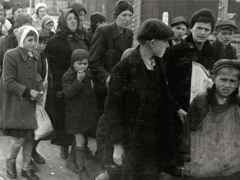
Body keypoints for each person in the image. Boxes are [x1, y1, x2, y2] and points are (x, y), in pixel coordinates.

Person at [102, 18, 186, 180]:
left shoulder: (158, 63)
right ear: (153, 43)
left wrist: (178, 108)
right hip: (131, 138)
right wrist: (117, 145)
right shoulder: (123, 69)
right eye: (166, 42)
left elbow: (163, 92)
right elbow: (112, 109)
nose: (168, 46)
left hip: (154, 136)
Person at [163, 9, 217, 168]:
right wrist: (177, 108)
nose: (202, 32)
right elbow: (164, 84)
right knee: (174, 155)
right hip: (176, 110)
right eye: (199, 28)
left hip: (201, 111)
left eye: (207, 29)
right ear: (191, 28)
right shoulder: (175, 51)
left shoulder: (213, 52)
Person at [45, 8, 89, 174]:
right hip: (65, 84)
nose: (73, 21)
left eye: (75, 19)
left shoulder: (83, 37)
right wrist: (59, 89)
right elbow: (54, 68)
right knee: (65, 118)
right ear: (63, 21)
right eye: (69, 18)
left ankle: (77, 146)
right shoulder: (56, 41)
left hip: (83, 83)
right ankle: (64, 145)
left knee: (80, 117)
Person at [180, 59, 240, 180]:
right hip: (202, 168)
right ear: (213, 78)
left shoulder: (238, 105)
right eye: (223, 79)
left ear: (238, 83)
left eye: (232, 81)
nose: (227, 85)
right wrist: (185, 158)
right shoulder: (201, 102)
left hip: (231, 168)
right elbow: (187, 133)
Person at [89, 1, 133, 164]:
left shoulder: (129, 34)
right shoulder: (103, 31)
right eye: (124, 15)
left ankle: (110, 158)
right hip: (104, 85)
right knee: (104, 122)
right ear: (115, 16)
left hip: (120, 85)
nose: (127, 19)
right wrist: (107, 79)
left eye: (130, 15)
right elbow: (93, 61)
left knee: (115, 121)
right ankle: (102, 157)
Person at [0, 25, 41, 180]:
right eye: (29, 39)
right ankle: (10, 163)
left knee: (30, 136)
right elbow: (8, 82)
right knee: (18, 138)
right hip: (16, 102)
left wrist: (38, 89)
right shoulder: (11, 55)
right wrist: (29, 91)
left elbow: (35, 77)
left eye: (35, 40)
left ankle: (26, 168)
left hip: (29, 102)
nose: (33, 43)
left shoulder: (35, 56)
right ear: (22, 39)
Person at [62, 49, 98, 180]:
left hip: (86, 112)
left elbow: (91, 94)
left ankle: (71, 160)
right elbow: (67, 93)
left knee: (82, 138)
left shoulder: (88, 75)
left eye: (85, 63)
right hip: (74, 114)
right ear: (73, 63)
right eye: (79, 63)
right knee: (80, 140)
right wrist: (78, 81)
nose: (83, 66)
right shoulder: (67, 76)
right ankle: (81, 168)